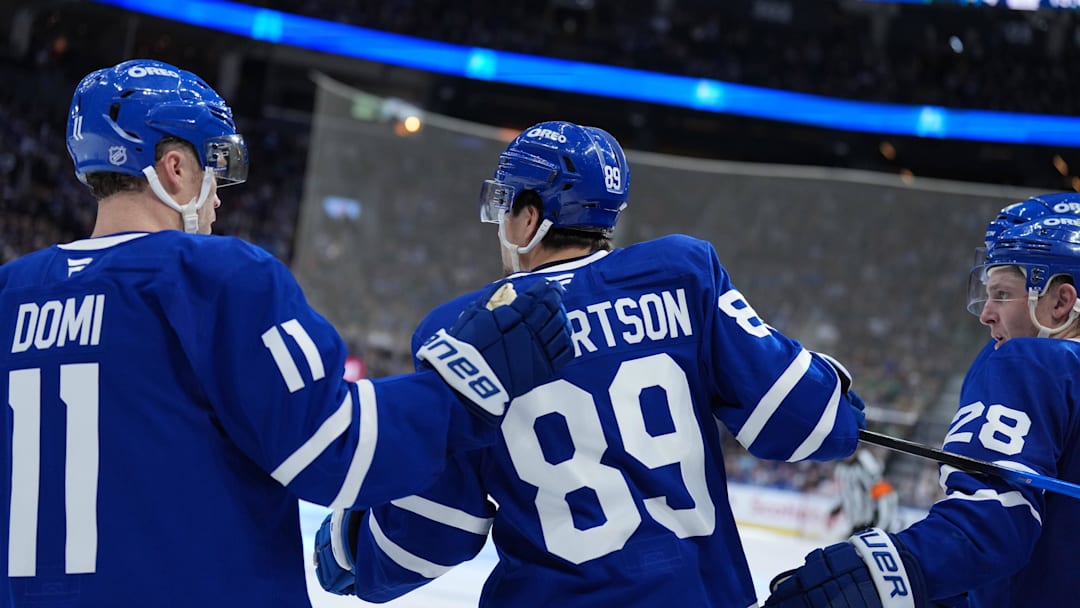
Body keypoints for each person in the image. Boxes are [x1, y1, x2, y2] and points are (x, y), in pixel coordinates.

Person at [0, 59, 574, 607]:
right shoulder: (215, 277)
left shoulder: (12, 291)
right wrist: (460, 386)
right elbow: (332, 448)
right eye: (213, 169)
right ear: (173, 168)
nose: (218, 197)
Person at [312, 120, 868, 607]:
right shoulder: (684, 272)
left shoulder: (461, 327)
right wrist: (839, 399)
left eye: (505, 206)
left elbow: (436, 531)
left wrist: (354, 547)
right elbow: (808, 422)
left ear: (529, 218)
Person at [764, 212, 1080, 608]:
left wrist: (877, 575)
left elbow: (992, 523)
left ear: (1061, 301)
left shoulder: (1033, 361)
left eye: (1001, 294)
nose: (986, 313)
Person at [829, 448, 898, 536]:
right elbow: (845, 492)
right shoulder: (841, 469)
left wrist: (879, 521)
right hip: (855, 521)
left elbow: (876, 483)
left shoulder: (864, 464)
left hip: (869, 520)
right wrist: (838, 507)